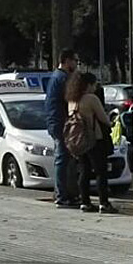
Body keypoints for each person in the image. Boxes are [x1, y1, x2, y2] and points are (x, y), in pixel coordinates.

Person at [66, 72, 115, 213]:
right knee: (100, 172)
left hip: (78, 141)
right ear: (88, 85)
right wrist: (111, 122)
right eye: (94, 85)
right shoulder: (91, 99)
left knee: (84, 171)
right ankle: (104, 203)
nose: (95, 88)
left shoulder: (72, 100)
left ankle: (85, 202)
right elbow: (103, 118)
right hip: (94, 139)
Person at [46, 49, 78, 208]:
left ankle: (64, 193)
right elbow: (70, 99)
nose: (76, 64)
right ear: (66, 60)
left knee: (64, 158)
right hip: (61, 123)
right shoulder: (63, 78)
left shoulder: (55, 76)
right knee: (62, 159)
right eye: (75, 61)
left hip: (55, 121)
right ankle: (62, 196)